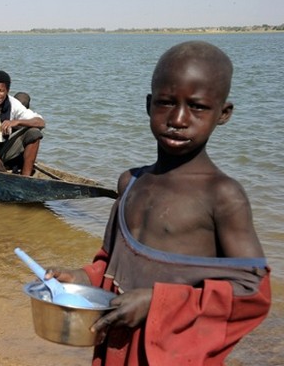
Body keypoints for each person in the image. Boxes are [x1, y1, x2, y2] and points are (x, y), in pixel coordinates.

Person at [45, 41, 271, 365]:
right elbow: (112, 265)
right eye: (166, 103)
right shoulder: (131, 183)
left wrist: (157, 303)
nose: (178, 118)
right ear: (150, 104)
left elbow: (251, 293)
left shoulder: (222, 195)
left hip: (172, 354)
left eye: (197, 107)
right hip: (116, 347)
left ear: (224, 113)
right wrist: (82, 278)